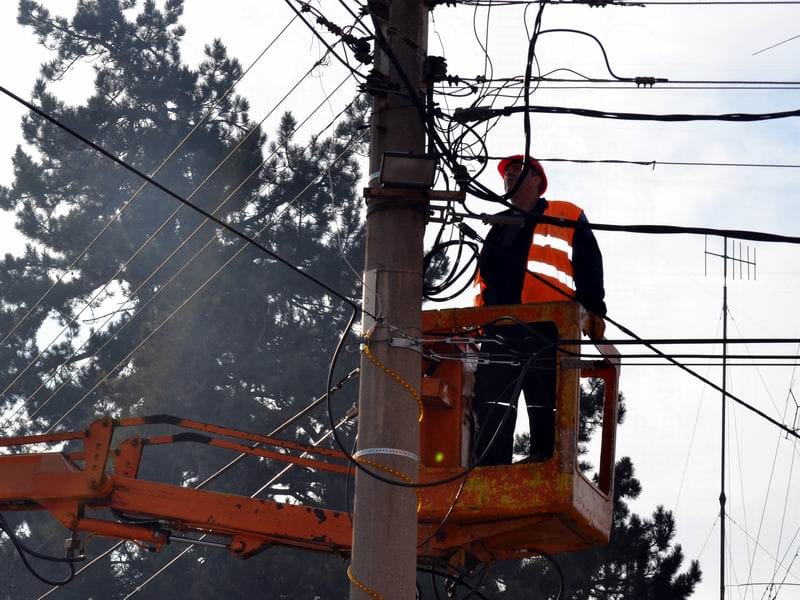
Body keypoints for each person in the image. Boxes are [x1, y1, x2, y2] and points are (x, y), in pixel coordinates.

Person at [472, 154, 607, 465]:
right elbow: (483, 282)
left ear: (537, 181)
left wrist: (593, 311)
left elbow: (589, 263)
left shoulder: (564, 214)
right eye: (506, 172)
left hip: (548, 328)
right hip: (500, 331)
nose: (509, 175)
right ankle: (491, 469)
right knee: (493, 406)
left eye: (518, 170)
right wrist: (482, 328)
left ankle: (544, 460)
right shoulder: (497, 227)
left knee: (546, 405)